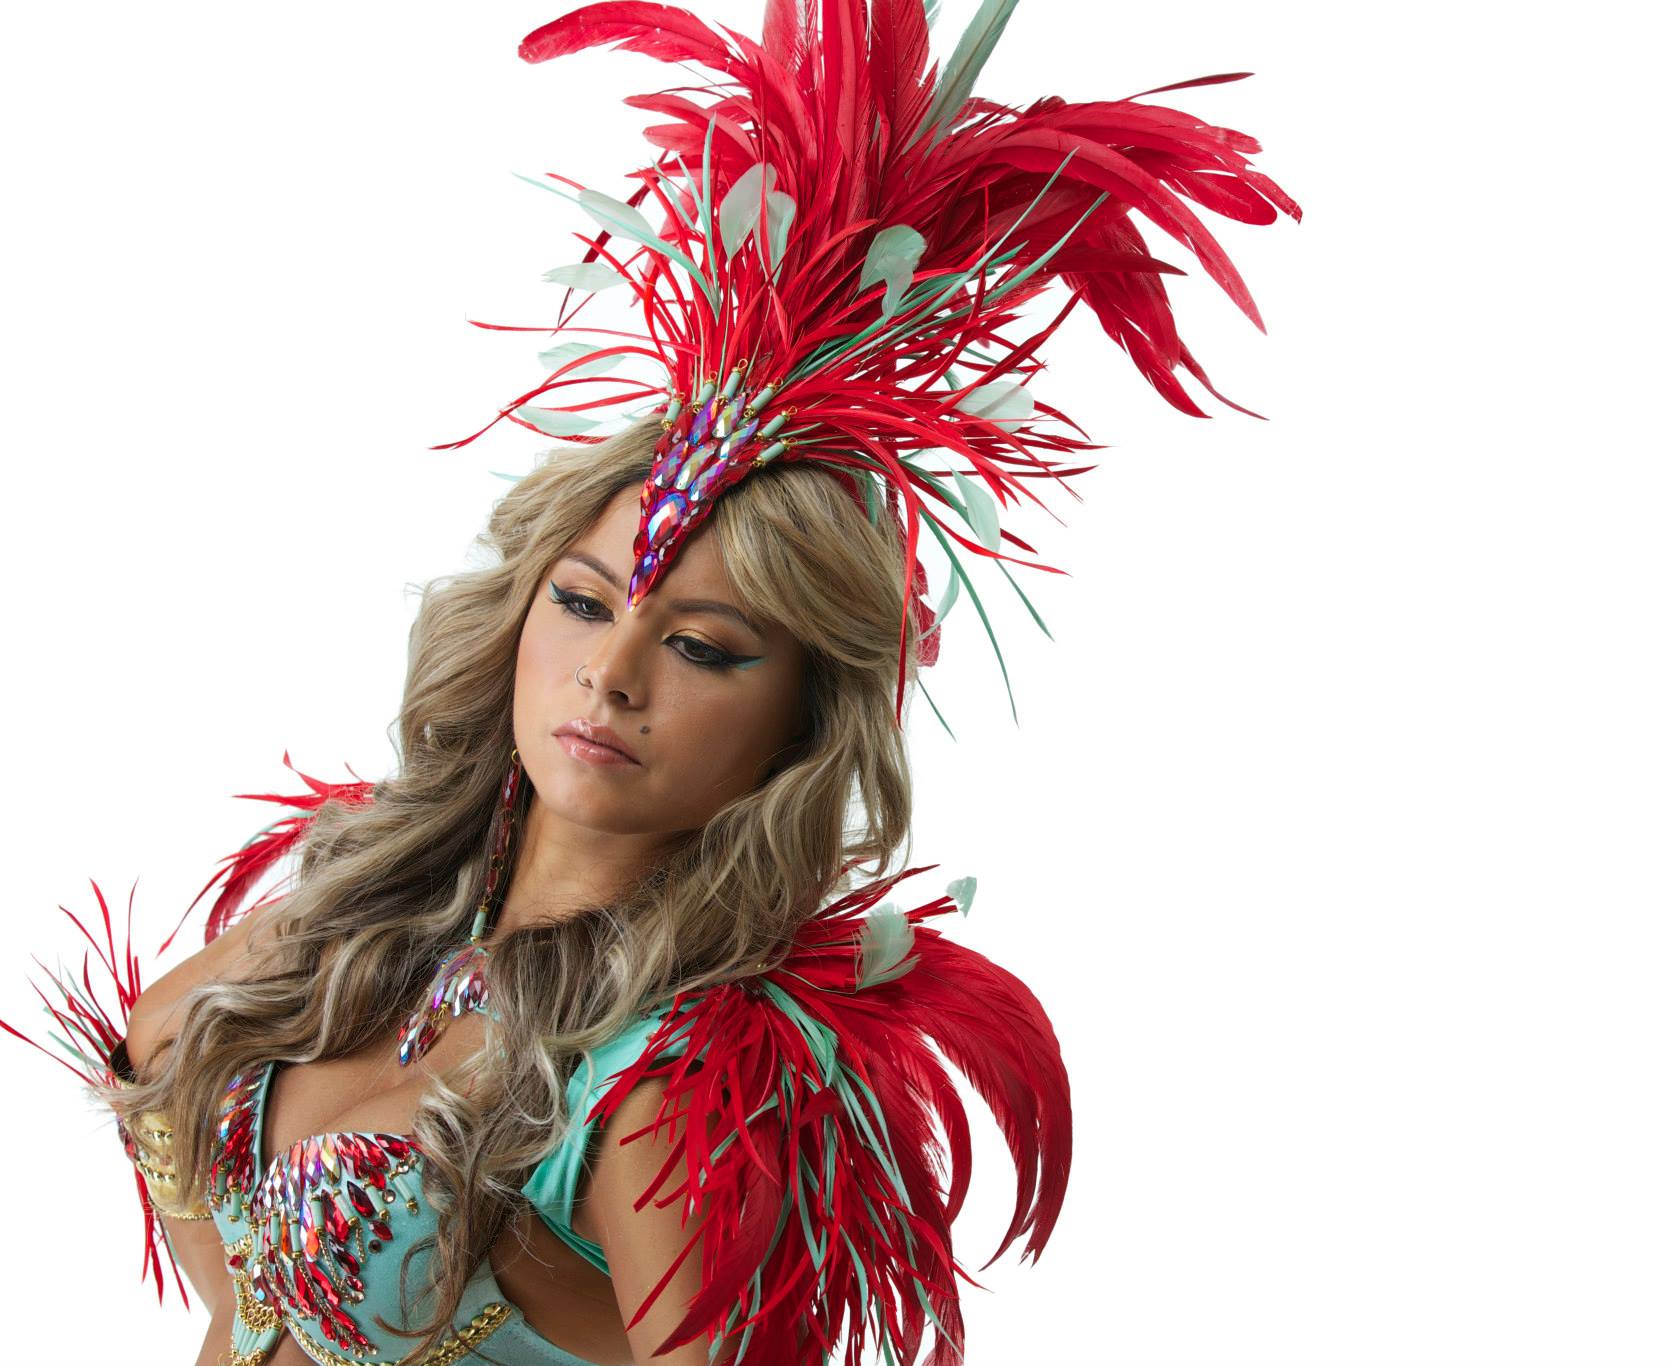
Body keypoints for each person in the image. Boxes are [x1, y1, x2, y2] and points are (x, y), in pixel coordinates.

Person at [2, 1, 1297, 1363]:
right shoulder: (356, 916)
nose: (611, 673)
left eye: (702, 648)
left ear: (801, 721)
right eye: (581, 602)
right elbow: (217, 1244)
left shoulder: (674, 1084)